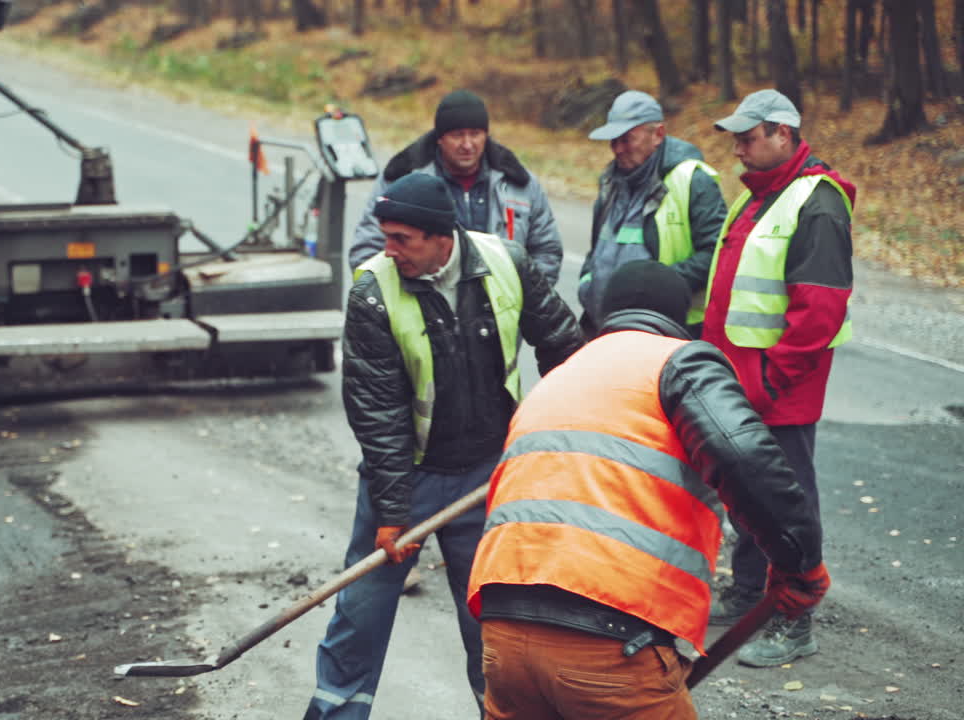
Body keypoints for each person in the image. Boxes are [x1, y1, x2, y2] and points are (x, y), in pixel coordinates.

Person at [467, 259, 831, 719]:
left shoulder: (559, 377)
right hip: (606, 638)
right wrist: (799, 562)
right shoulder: (679, 361)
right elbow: (745, 456)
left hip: (503, 635)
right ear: (678, 321)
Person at [304, 172, 584, 720]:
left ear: (440, 237)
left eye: (401, 239)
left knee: (492, 624)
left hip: (487, 477)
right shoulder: (373, 291)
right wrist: (392, 512)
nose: (389, 250)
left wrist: (557, 436)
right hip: (407, 477)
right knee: (361, 616)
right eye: (385, 236)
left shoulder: (507, 263)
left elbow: (565, 348)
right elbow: (377, 411)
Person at [703, 89, 855, 668]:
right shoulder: (760, 195)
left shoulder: (817, 203)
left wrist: (767, 380)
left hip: (779, 391)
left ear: (783, 134)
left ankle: (794, 622)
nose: (738, 149)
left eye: (748, 138)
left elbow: (819, 312)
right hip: (742, 385)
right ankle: (748, 593)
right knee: (745, 493)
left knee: (787, 504)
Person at [349, 89, 564, 287]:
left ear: (486, 135)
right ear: (440, 138)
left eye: (475, 134)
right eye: (458, 135)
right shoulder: (400, 181)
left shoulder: (520, 184)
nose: (467, 145)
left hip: (503, 308)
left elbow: (547, 250)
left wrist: (526, 298)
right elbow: (367, 250)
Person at [579, 90, 727, 337]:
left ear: (658, 134)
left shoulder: (692, 180)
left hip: (666, 330)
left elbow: (717, 252)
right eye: (613, 141)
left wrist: (658, 289)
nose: (617, 149)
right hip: (605, 328)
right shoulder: (610, 182)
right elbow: (597, 249)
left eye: (626, 139)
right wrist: (587, 283)